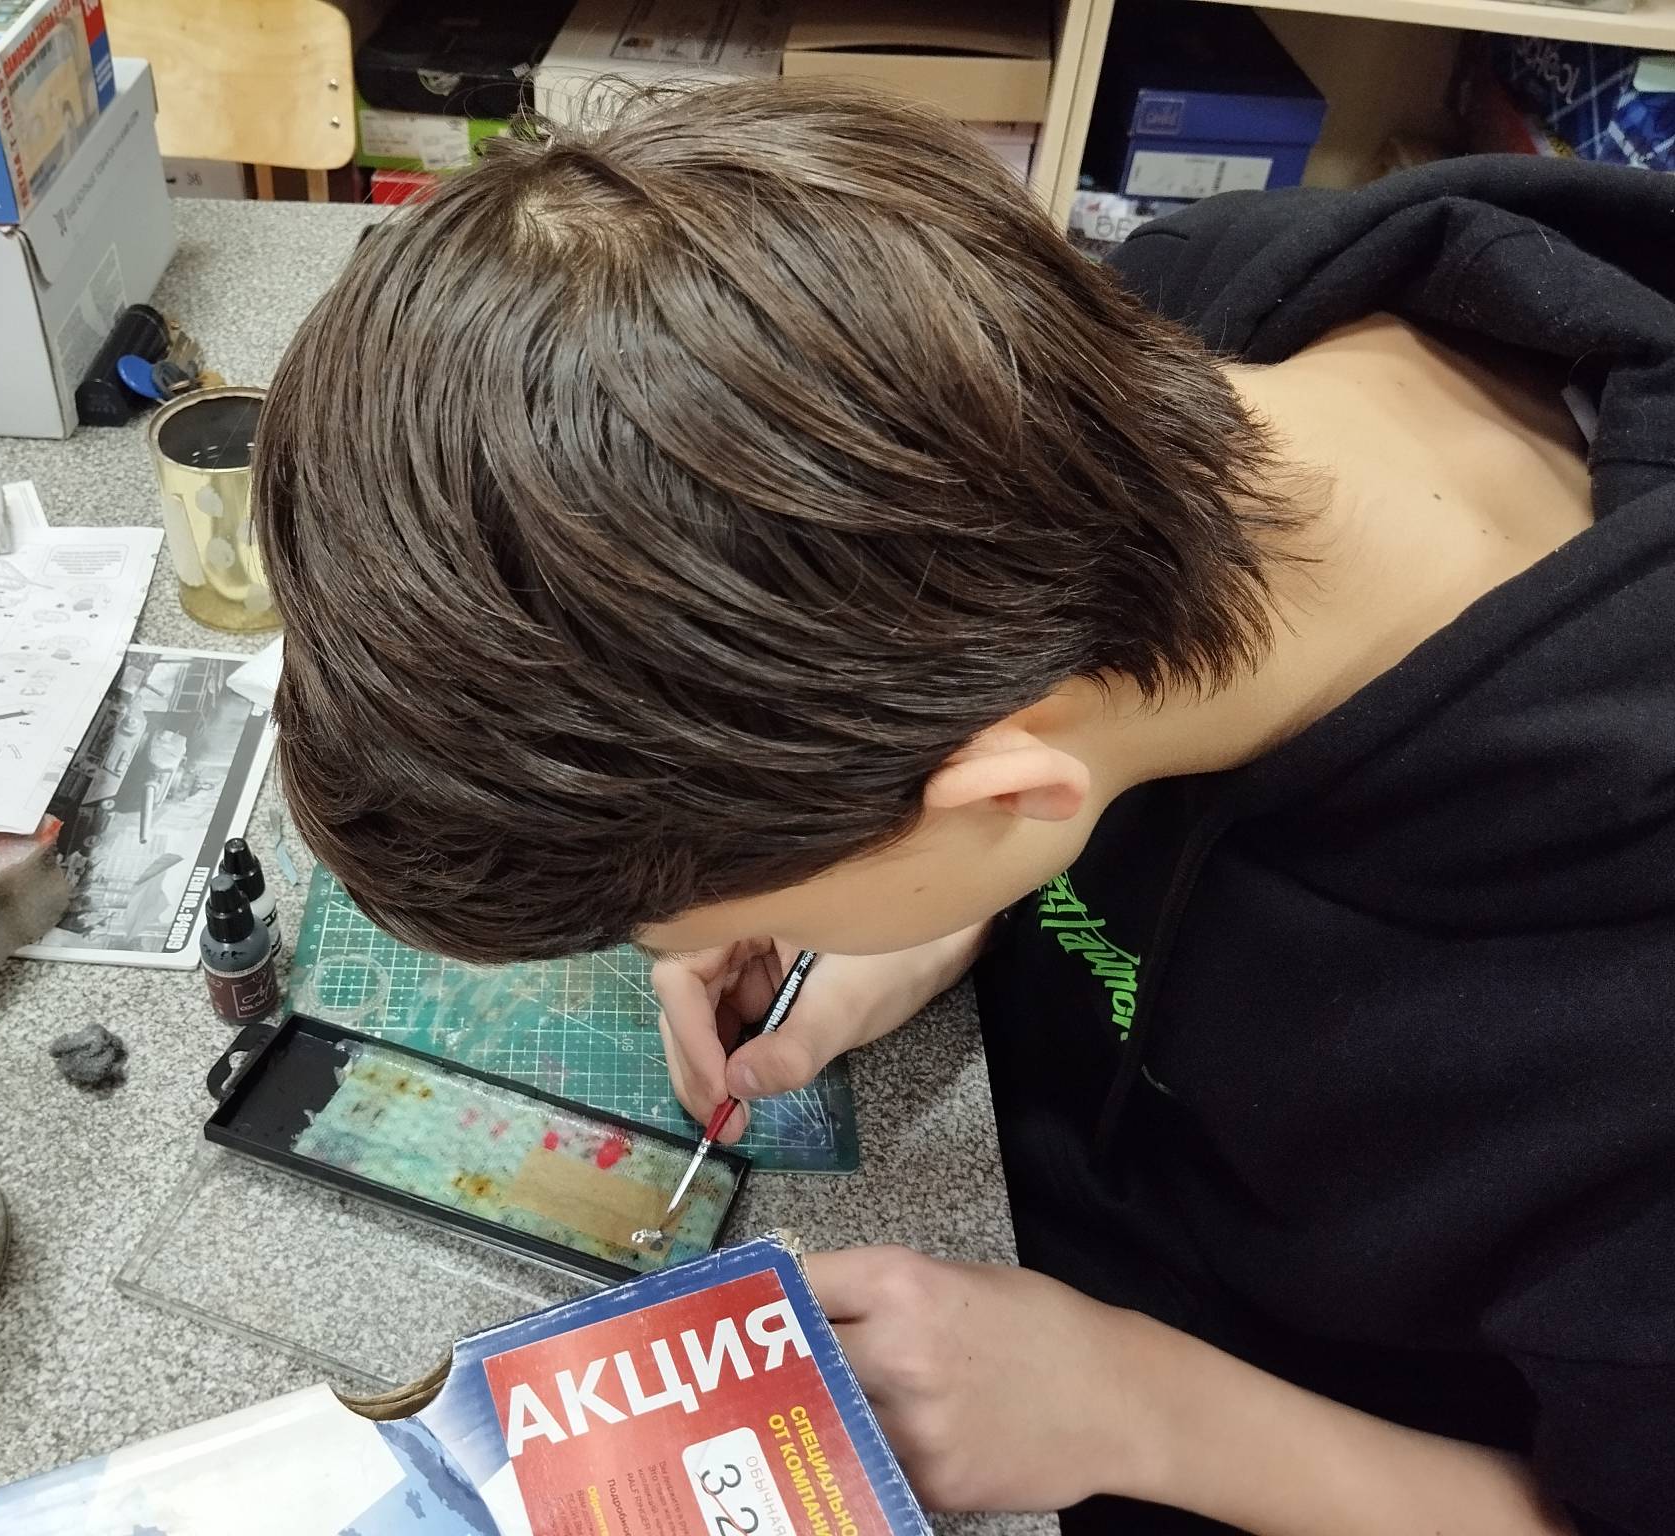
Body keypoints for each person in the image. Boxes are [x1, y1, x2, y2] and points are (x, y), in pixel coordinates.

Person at [251, 80, 1674, 1536]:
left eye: (695, 922)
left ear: (999, 791)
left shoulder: (1622, 1035)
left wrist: (1144, 1414)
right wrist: (943, 904)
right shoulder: (1135, 327)